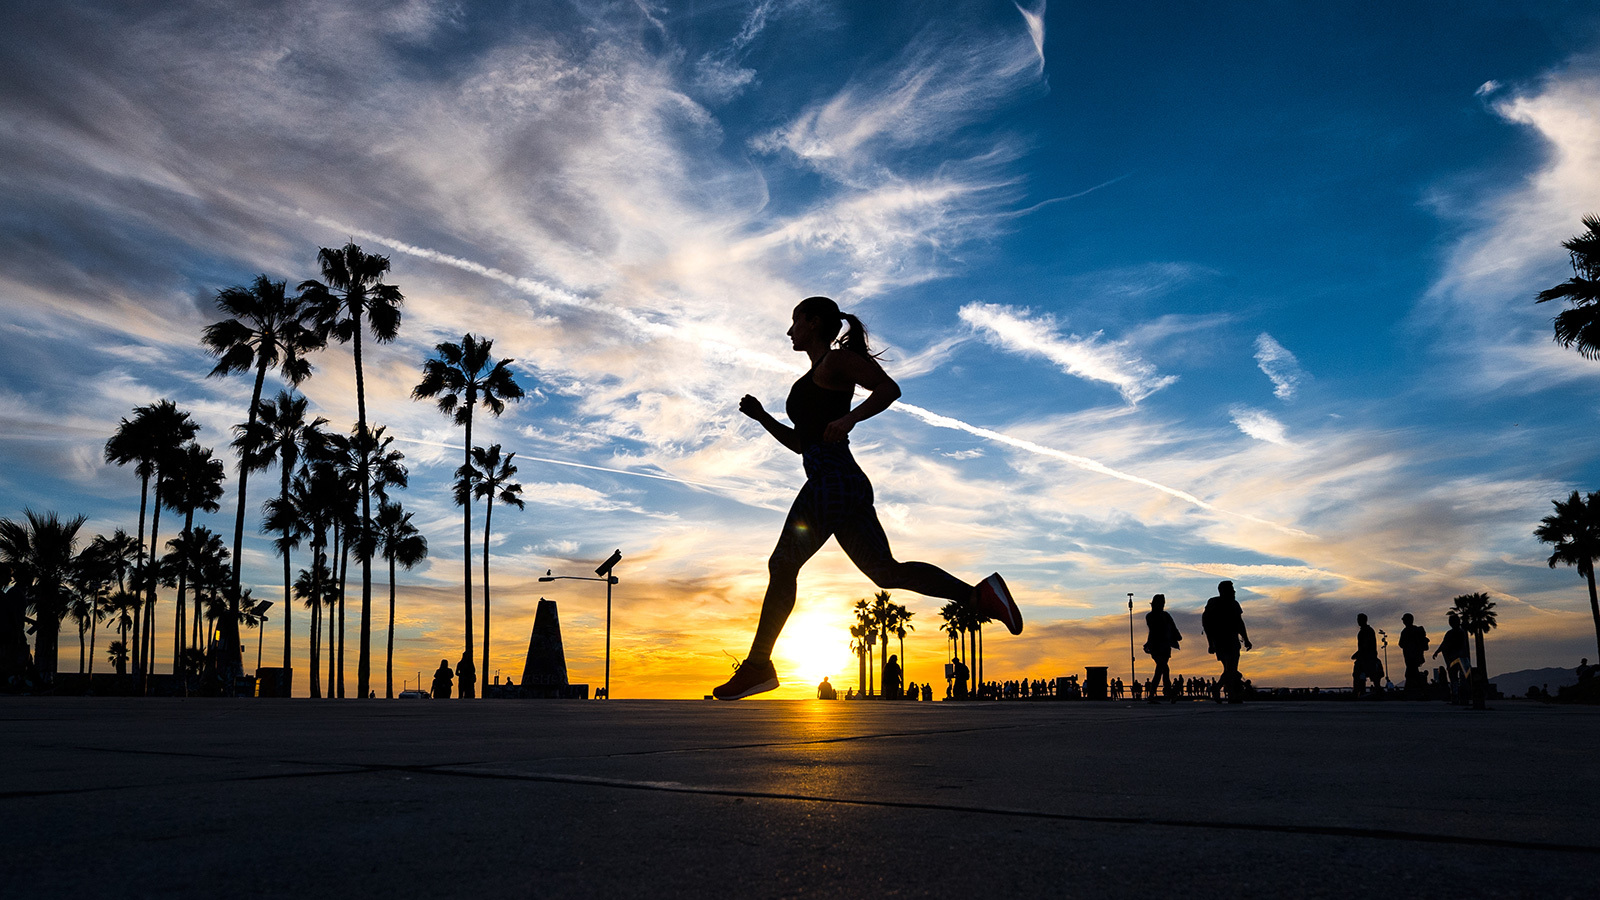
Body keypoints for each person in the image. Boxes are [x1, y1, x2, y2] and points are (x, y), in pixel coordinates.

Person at [713, 297, 1023, 701]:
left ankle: (757, 667)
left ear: (815, 322)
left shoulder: (836, 362)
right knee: (885, 572)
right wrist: (763, 418)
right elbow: (799, 444)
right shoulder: (808, 380)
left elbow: (888, 389)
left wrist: (850, 418)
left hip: (834, 481)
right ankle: (978, 596)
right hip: (841, 483)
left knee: (783, 563)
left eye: (795, 322)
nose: (790, 331)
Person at [1201, 580, 1252, 703]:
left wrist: (1211, 643)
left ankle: (1232, 695)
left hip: (1221, 641)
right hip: (1228, 640)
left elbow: (1206, 624)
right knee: (1231, 669)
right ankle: (1218, 688)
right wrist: (1246, 639)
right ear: (1224, 591)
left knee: (1229, 669)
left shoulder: (1214, 603)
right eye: (1232, 589)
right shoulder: (1230, 604)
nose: (1234, 592)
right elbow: (1239, 623)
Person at [1143, 593, 1182, 701]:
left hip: (1162, 646)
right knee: (1162, 668)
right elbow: (1155, 631)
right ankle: (1166, 693)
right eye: (1161, 603)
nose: (1162, 605)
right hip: (1158, 646)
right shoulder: (1156, 616)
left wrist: (1177, 636)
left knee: (1162, 669)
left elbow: (1171, 628)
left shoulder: (1157, 616)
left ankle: (1159, 694)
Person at [1432, 612, 1471, 704]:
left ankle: (1460, 698)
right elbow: (1444, 644)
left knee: (1458, 679)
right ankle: (1458, 698)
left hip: (1457, 658)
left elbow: (1459, 645)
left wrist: (1438, 651)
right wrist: (1437, 651)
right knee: (1456, 679)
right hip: (1456, 658)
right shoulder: (1453, 633)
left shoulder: (1459, 633)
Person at [1352, 613, 1384, 697]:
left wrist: (1358, 653)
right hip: (1365, 657)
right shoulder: (1364, 631)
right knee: (1360, 675)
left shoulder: (1367, 631)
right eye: (1358, 619)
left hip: (1368, 658)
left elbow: (1366, 645)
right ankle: (1360, 691)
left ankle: (1357, 692)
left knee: (1359, 674)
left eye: (1359, 619)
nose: (1358, 621)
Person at [1397, 613, 1429, 695]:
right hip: (1416, 656)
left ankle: (1412, 692)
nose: (1403, 621)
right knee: (1413, 673)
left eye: (1404, 619)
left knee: (1410, 673)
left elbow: (1401, 644)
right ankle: (1418, 691)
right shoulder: (1417, 630)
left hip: (1410, 656)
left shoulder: (1405, 631)